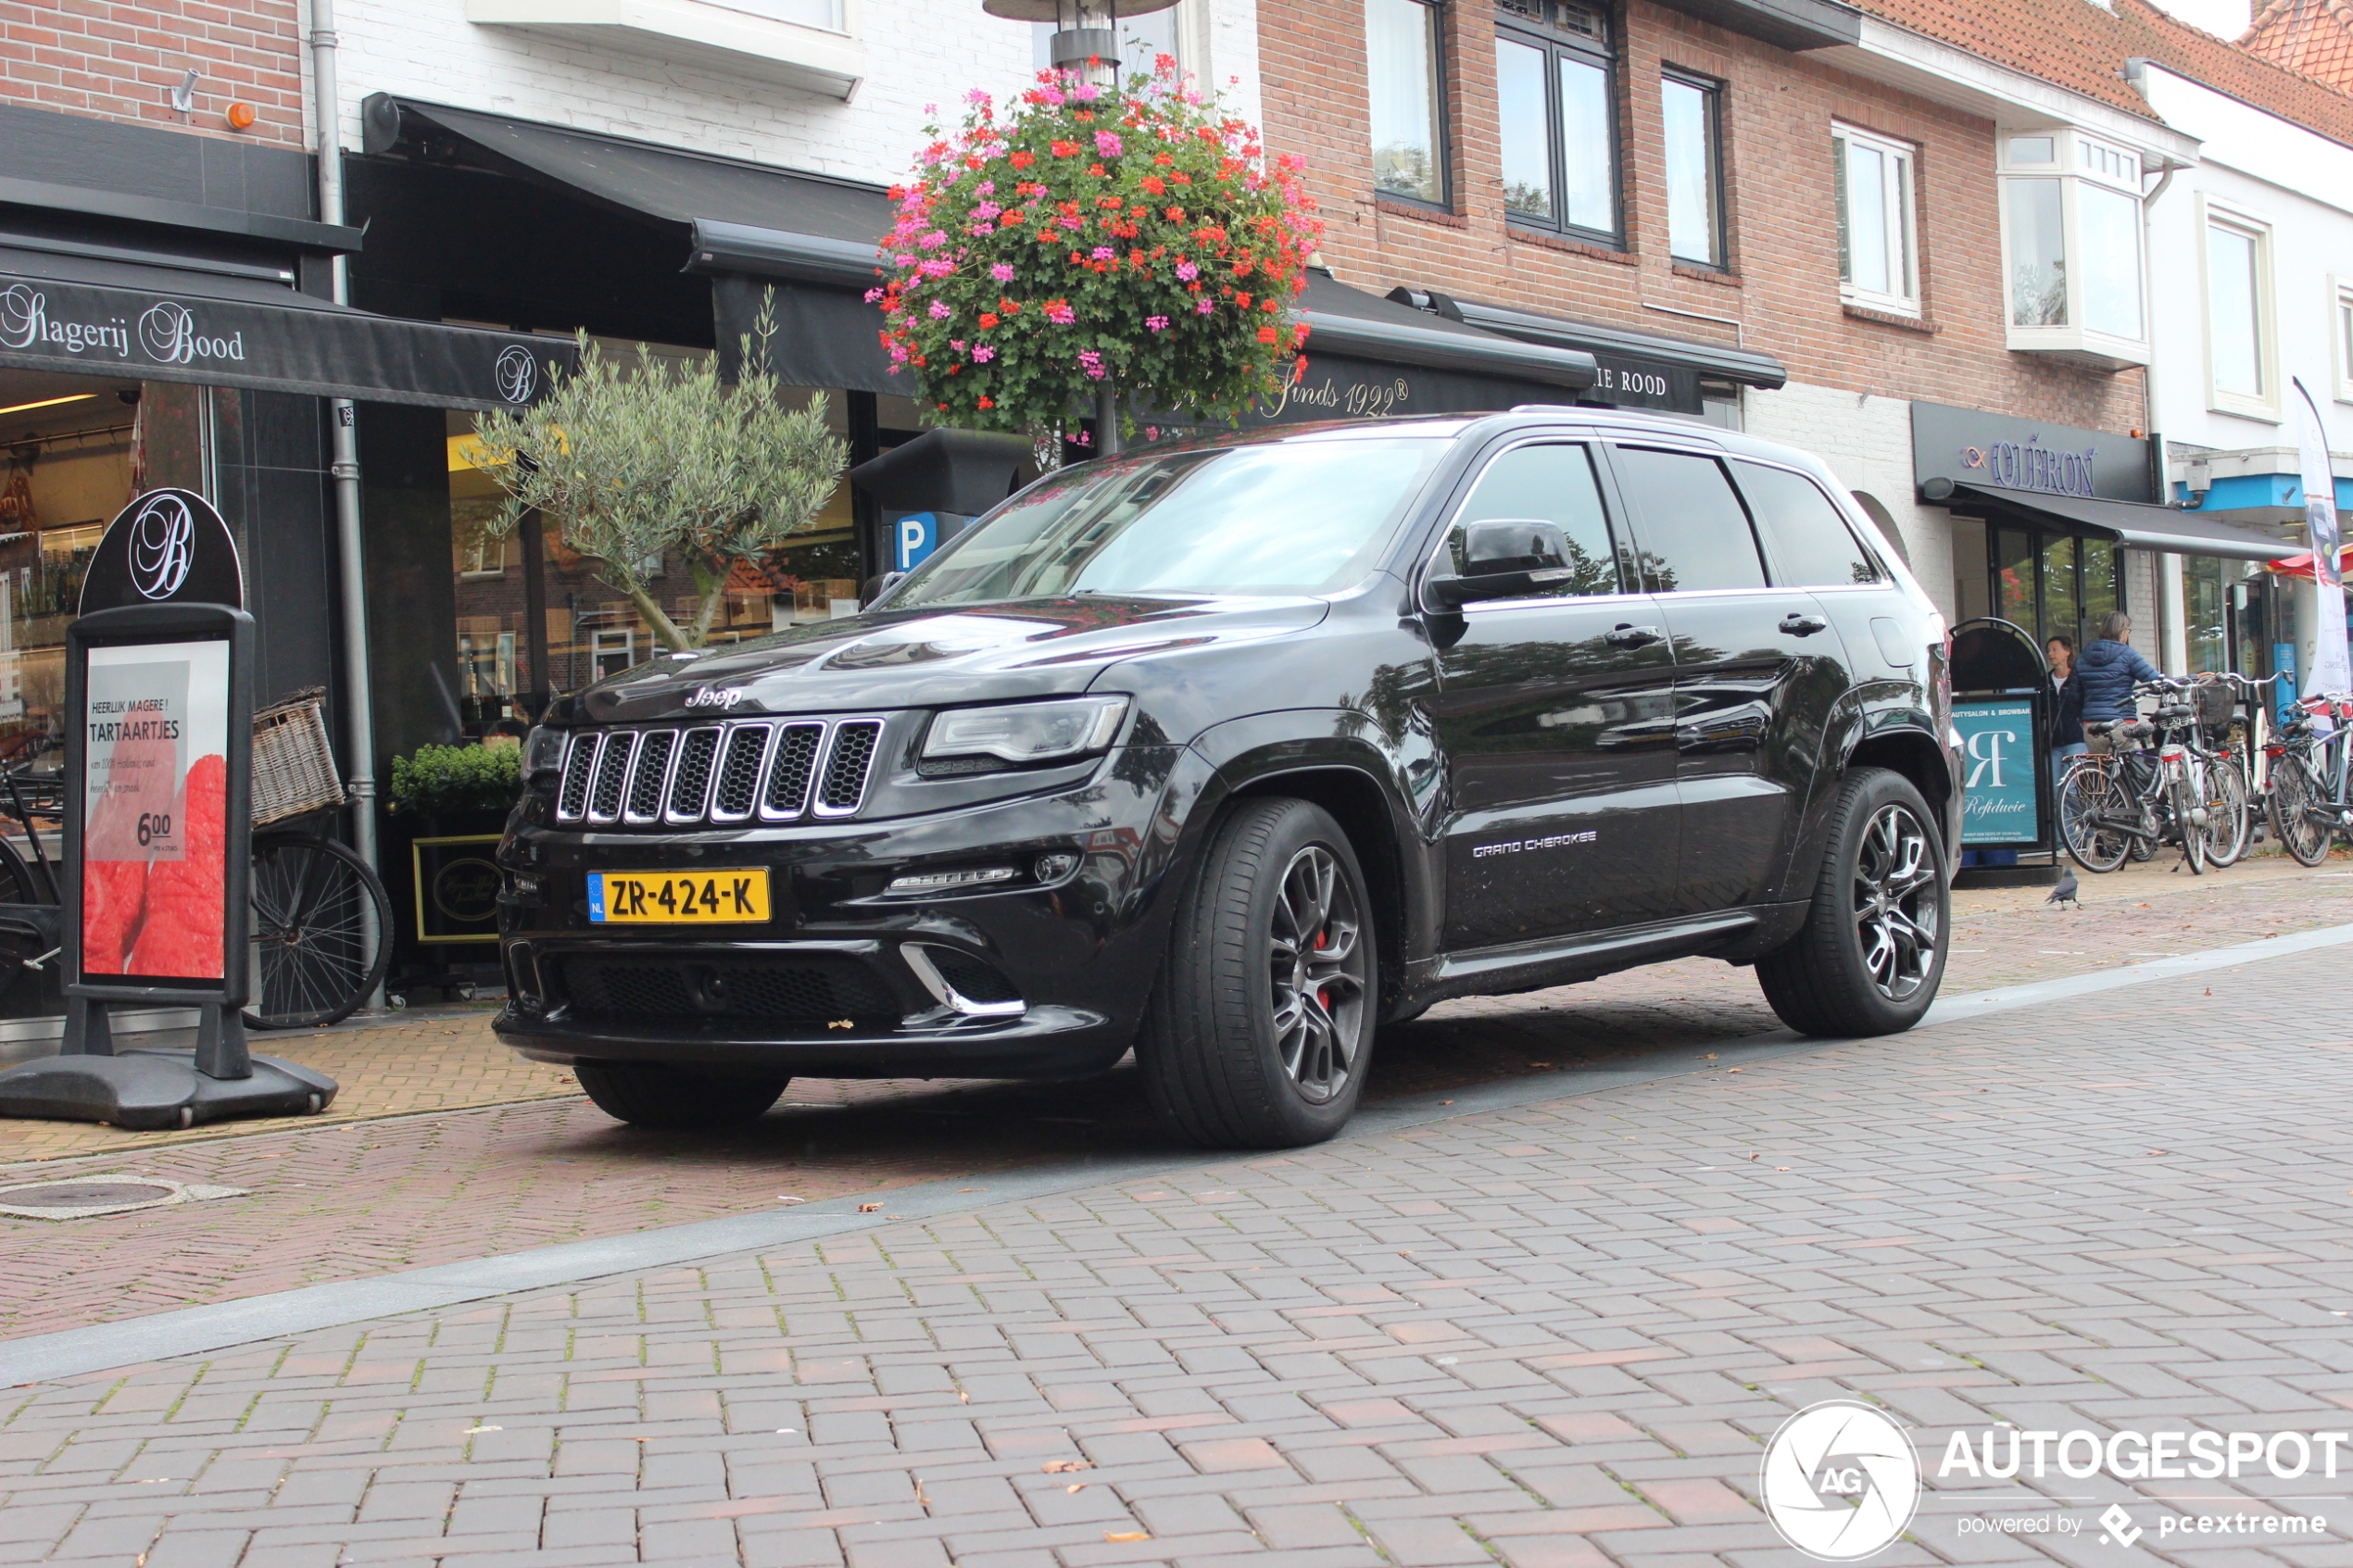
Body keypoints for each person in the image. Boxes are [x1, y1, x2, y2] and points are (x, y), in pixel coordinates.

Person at [2075, 611, 2161, 743]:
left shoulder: (2083, 656)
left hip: (2092, 727)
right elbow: (2157, 681)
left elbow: (2074, 695)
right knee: (2124, 761)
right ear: (2122, 632)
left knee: (2099, 763)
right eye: (2128, 630)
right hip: (2121, 723)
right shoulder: (2128, 654)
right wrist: (2192, 678)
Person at [2047, 634, 2085, 779]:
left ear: (2067, 651)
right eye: (2049, 650)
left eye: (2055, 649)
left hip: (2076, 740)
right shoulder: (2045, 682)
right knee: (2054, 789)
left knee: (2072, 787)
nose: (2051, 654)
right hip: (2053, 744)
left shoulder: (2078, 679)